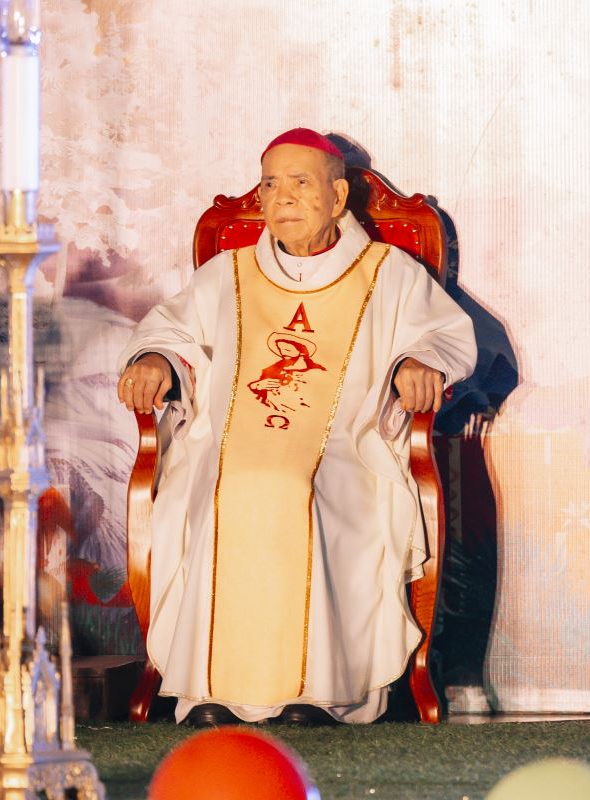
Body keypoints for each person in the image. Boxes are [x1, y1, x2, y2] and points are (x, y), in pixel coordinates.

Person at [116, 128, 477, 725]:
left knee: (295, 485)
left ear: (338, 197)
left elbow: (443, 335)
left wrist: (419, 362)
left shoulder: (388, 273)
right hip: (230, 445)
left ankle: (320, 691)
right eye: (269, 184)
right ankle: (213, 690)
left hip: (345, 446)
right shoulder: (227, 274)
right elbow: (170, 334)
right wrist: (155, 359)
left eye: (300, 182)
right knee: (231, 483)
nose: (281, 197)